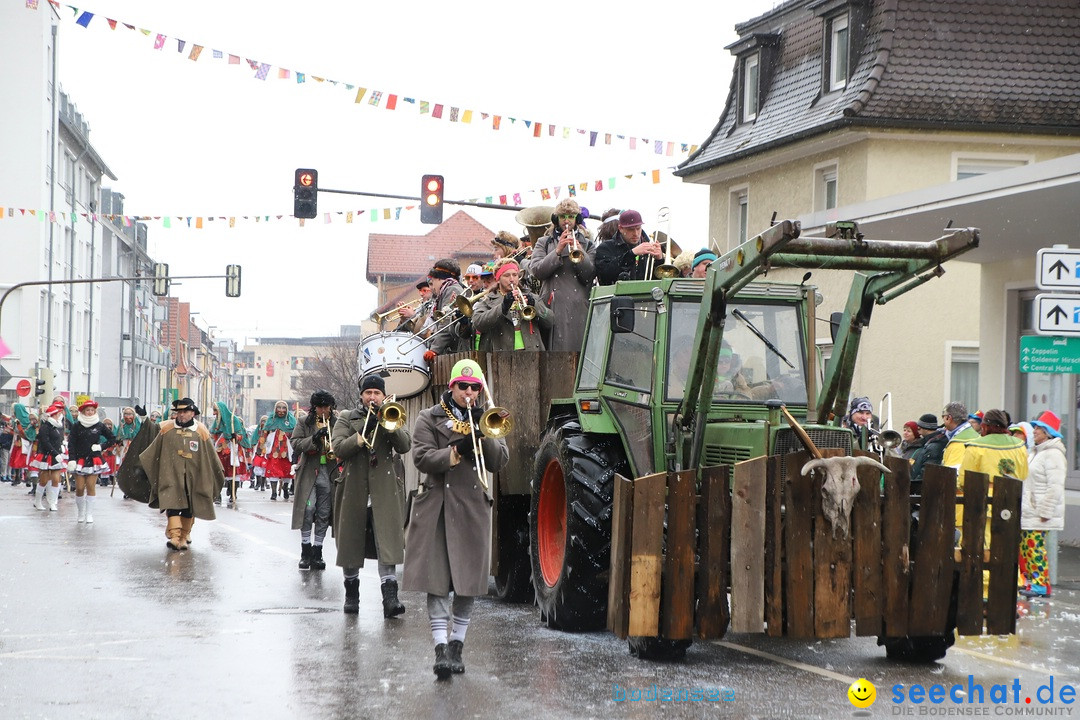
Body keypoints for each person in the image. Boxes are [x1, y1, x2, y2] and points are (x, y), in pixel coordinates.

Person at [403, 359, 508, 678]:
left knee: (466, 583)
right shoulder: (428, 417)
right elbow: (421, 458)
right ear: (452, 387)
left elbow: (498, 462)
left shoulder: (485, 416)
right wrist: (456, 451)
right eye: (463, 386)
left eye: (475, 387)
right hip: (437, 505)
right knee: (437, 582)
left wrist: (484, 430)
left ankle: (457, 646)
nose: (469, 392)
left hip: (472, 508)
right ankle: (440, 649)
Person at [332, 376, 412, 616]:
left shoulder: (392, 413)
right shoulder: (347, 417)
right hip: (354, 488)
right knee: (350, 544)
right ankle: (352, 596)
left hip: (384, 490)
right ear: (361, 396)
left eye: (377, 392)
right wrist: (362, 432)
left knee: (387, 543)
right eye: (368, 393)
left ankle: (390, 600)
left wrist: (389, 422)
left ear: (383, 395)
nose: (372, 397)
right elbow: (338, 448)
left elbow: (405, 445)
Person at [140, 397, 226, 551]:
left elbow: (210, 456)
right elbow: (151, 438)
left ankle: (183, 536)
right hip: (170, 474)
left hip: (193, 476)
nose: (181, 415)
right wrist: (144, 418)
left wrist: (215, 472)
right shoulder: (166, 428)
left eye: (185, 411)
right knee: (171, 504)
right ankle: (174, 537)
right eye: (179, 412)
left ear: (193, 413)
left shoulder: (200, 430)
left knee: (188, 507)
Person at [958, 409, 1028, 565]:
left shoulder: (976, 447)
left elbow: (964, 480)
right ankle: (1010, 589)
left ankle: (984, 589)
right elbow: (1023, 475)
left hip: (983, 506)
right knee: (1008, 553)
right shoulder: (1020, 447)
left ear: (985, 426)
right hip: (1011, 504)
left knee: (984, 551)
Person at [529, 198, 597, 351]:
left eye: (571, 216)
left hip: (578, 308)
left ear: (577, 219)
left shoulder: (588, 244)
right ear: (556, 219)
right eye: (563, 217)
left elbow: (589, 276)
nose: (567, 221)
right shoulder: (544, 242)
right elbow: (537, 271)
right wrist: (557, 251)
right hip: (552, 306)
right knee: (554, 354)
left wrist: (582, 254)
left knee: (577, 353)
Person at [290, 390, 340, 571]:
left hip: (329, 471)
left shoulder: (337, 422)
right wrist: (314, 439)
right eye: (320, 407)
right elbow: (295, 443)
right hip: (310, 471)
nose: (323, 411)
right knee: (308, 508)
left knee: (324, 513)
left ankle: (318, 551)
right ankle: (305, 551)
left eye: (326, 407)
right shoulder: (304, 422)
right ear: (314, 407)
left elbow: (343, 443)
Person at [1019, 411, 1066, 598]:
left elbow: (1055, 486)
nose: (1035, 431)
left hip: (1040, 512)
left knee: (1035, 547)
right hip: (1031, 510)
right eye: (1035, 427)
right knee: (1027, 547)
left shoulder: (1053, 454)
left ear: (1048, 432)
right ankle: (1035, 582)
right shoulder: (1036, 452)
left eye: (1039, 428)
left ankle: (1041, 584)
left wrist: (1045, 511)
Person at [471, 257, 553, 352]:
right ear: (498, 279)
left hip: (531, 353)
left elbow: (550, 321)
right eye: (506, 275)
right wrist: (502, 307)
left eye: (515, 275)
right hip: (503, 355)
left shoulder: (531, 296)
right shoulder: (487, 300)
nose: (512, 279)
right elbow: (479, 323)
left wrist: (535, 306)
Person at [66, 399, 117, 523]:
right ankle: (80, 513)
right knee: (79, 487)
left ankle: (89, 514)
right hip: (79, 459)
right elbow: (71, 443)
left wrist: (101, 446)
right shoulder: (77, 426)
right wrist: (72, 459)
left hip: (94, 459)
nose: (90, 412)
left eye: (92, 410)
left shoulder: (99, 425)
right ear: (83, 411)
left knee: (90, 486)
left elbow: (112, 438)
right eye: (87, 410)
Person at [594, 209, 664, 284]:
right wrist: (631, 254)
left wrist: (659, 260)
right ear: (620, 228)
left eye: (638, 228)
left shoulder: (648, 247)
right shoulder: (606, 247)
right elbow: (604, 275)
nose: (636, 233)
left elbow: (658, 281)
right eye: (631, 230)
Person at [425, 258, 469, 358]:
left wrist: (434, 350)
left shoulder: (451, 289)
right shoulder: (446, 290)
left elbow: (445, 323)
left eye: (433, 281)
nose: (432, 287)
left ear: (439, 278)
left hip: (453, 352)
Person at [31, 400, 66, 511]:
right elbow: (45, 442)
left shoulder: (57, 427)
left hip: (56, 455)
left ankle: (52, 502)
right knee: (44, 480)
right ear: (52, 415)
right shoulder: (45, 427)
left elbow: (58, 439)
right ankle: (37, 501)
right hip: (47, 455)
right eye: (57, 414)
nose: (59, 416)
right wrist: (54, 453)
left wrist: (62, 446)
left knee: (56, 479)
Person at [262, 401, 296, 500]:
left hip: (287, 450)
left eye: (283, 408)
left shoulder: (291, 420)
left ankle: (285, 488)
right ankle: (273, 492)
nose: (281, 410)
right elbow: (264, 433)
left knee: (286, 470)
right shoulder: (271, 420)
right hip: (274, 450)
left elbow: (296, 434)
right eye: (279, 408)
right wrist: (263, 446)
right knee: (273, 470)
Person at [941, 401, 980, 469]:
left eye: (943, 417)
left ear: (948, 418)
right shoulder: (975, 436)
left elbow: (952, 473)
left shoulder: (958, 443)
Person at [910, 413, 947, 483]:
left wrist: (914, 483)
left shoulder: (934, 446)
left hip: (924, 487)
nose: (918, 431)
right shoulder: (928, 443)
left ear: (927, 429)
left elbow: (927, 471)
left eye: (919, 428)